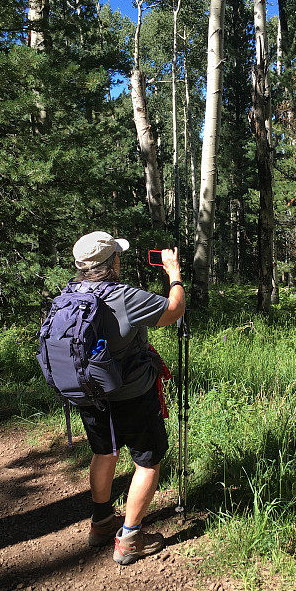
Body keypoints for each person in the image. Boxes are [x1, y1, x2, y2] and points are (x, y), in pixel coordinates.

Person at [70, 230, 185, 565]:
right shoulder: (124, 297)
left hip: (88, 393)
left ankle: (101, 524)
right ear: (111, 262)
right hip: (132, 394)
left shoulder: (70, 293)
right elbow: (174, 310)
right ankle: (130, 538)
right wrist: (173, 274)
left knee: (103, 452)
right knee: (148, 461)